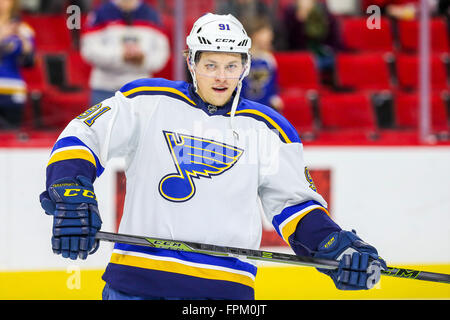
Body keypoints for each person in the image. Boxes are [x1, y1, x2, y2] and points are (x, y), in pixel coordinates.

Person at [39, 13, 386, 300]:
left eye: (231, 66)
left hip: (222, 294)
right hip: (136, 287)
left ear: (245, 66)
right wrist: (71, 191)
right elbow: (82, 134)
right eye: (211, 65)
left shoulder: (267, 129)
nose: (221, 77)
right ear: (192, 62)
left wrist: (335, 247)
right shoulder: (148, 101)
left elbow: (295, 207)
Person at [80, 0, 170, 105]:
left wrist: (143, 58)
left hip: (140, 90)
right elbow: (88, 50)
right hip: (104, 89)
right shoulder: (100, 13)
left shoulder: (152, 15)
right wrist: (120, 55)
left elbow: (161, 54)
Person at [283, 0, 340, 82]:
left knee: (327, 60)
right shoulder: (291, 13)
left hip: (322, 53)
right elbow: (290, 42)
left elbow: (331, 39)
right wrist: (299, 21)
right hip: (300, 53)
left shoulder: (323, 13)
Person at [0, 0, 34, 129]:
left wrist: (24, 43)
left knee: (11, 132)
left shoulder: (23, 30)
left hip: (12, 89)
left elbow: (29, 62)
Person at [241, 18, 283, 112]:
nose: (271, 37)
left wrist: (275, 98)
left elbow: (274, 85)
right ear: (256, 35)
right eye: (266, 34)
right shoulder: (242, 59)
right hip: (244, 108)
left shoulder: (269, 59)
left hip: (265, 109)